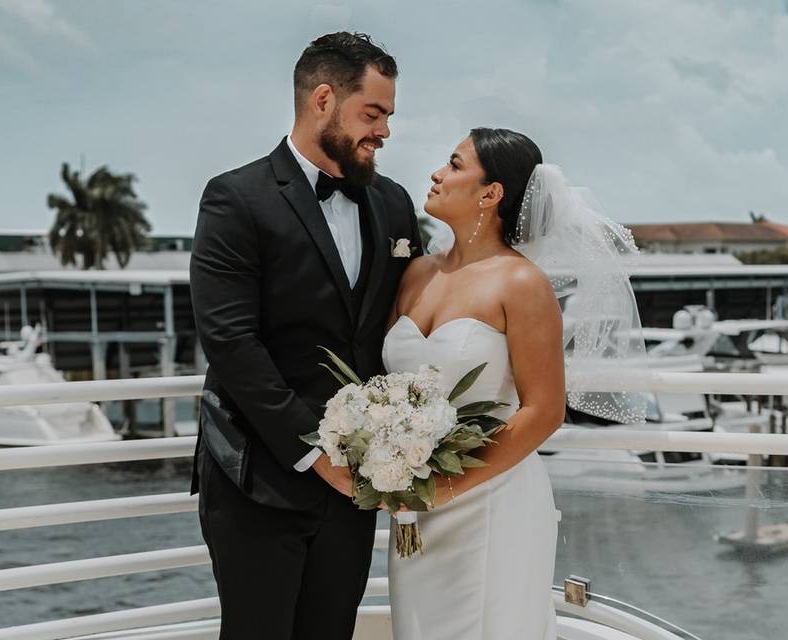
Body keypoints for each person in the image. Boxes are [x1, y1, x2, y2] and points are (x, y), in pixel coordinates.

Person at [189, 31, 421, 639]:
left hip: (357, 485)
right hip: (257, 476)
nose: (385, 132)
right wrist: (314, 451)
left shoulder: (393, 204)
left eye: (389, 116)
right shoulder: (235, 199)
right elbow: (231, 341)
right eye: (373, 113)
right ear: (323, 99)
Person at [383, 128, 564, 639]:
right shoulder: (416, 273)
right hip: (414, 511)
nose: (437, 173)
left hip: (492, 499)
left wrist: (444, 487)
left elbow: (545, 410)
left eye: (454, 164)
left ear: (491, 194)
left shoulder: (521, 283)